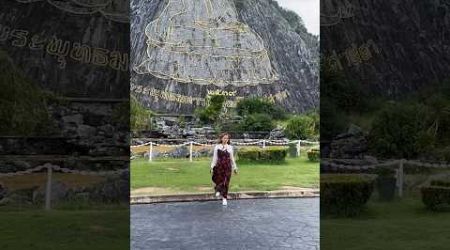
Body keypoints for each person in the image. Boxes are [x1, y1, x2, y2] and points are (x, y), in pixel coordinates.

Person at [210, 132, 238, 206]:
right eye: (224, 138)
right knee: (219, 179)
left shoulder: (230, 147)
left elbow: (232, 158)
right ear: (221, 138)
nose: (225, 139)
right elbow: (215, 158)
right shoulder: (217, 147)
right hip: (219, 166)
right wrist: (212, 167)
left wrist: (235, 167)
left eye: (227, 138)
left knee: (226, 182)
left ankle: (224, 198)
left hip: (227, 167)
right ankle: (218, 189)